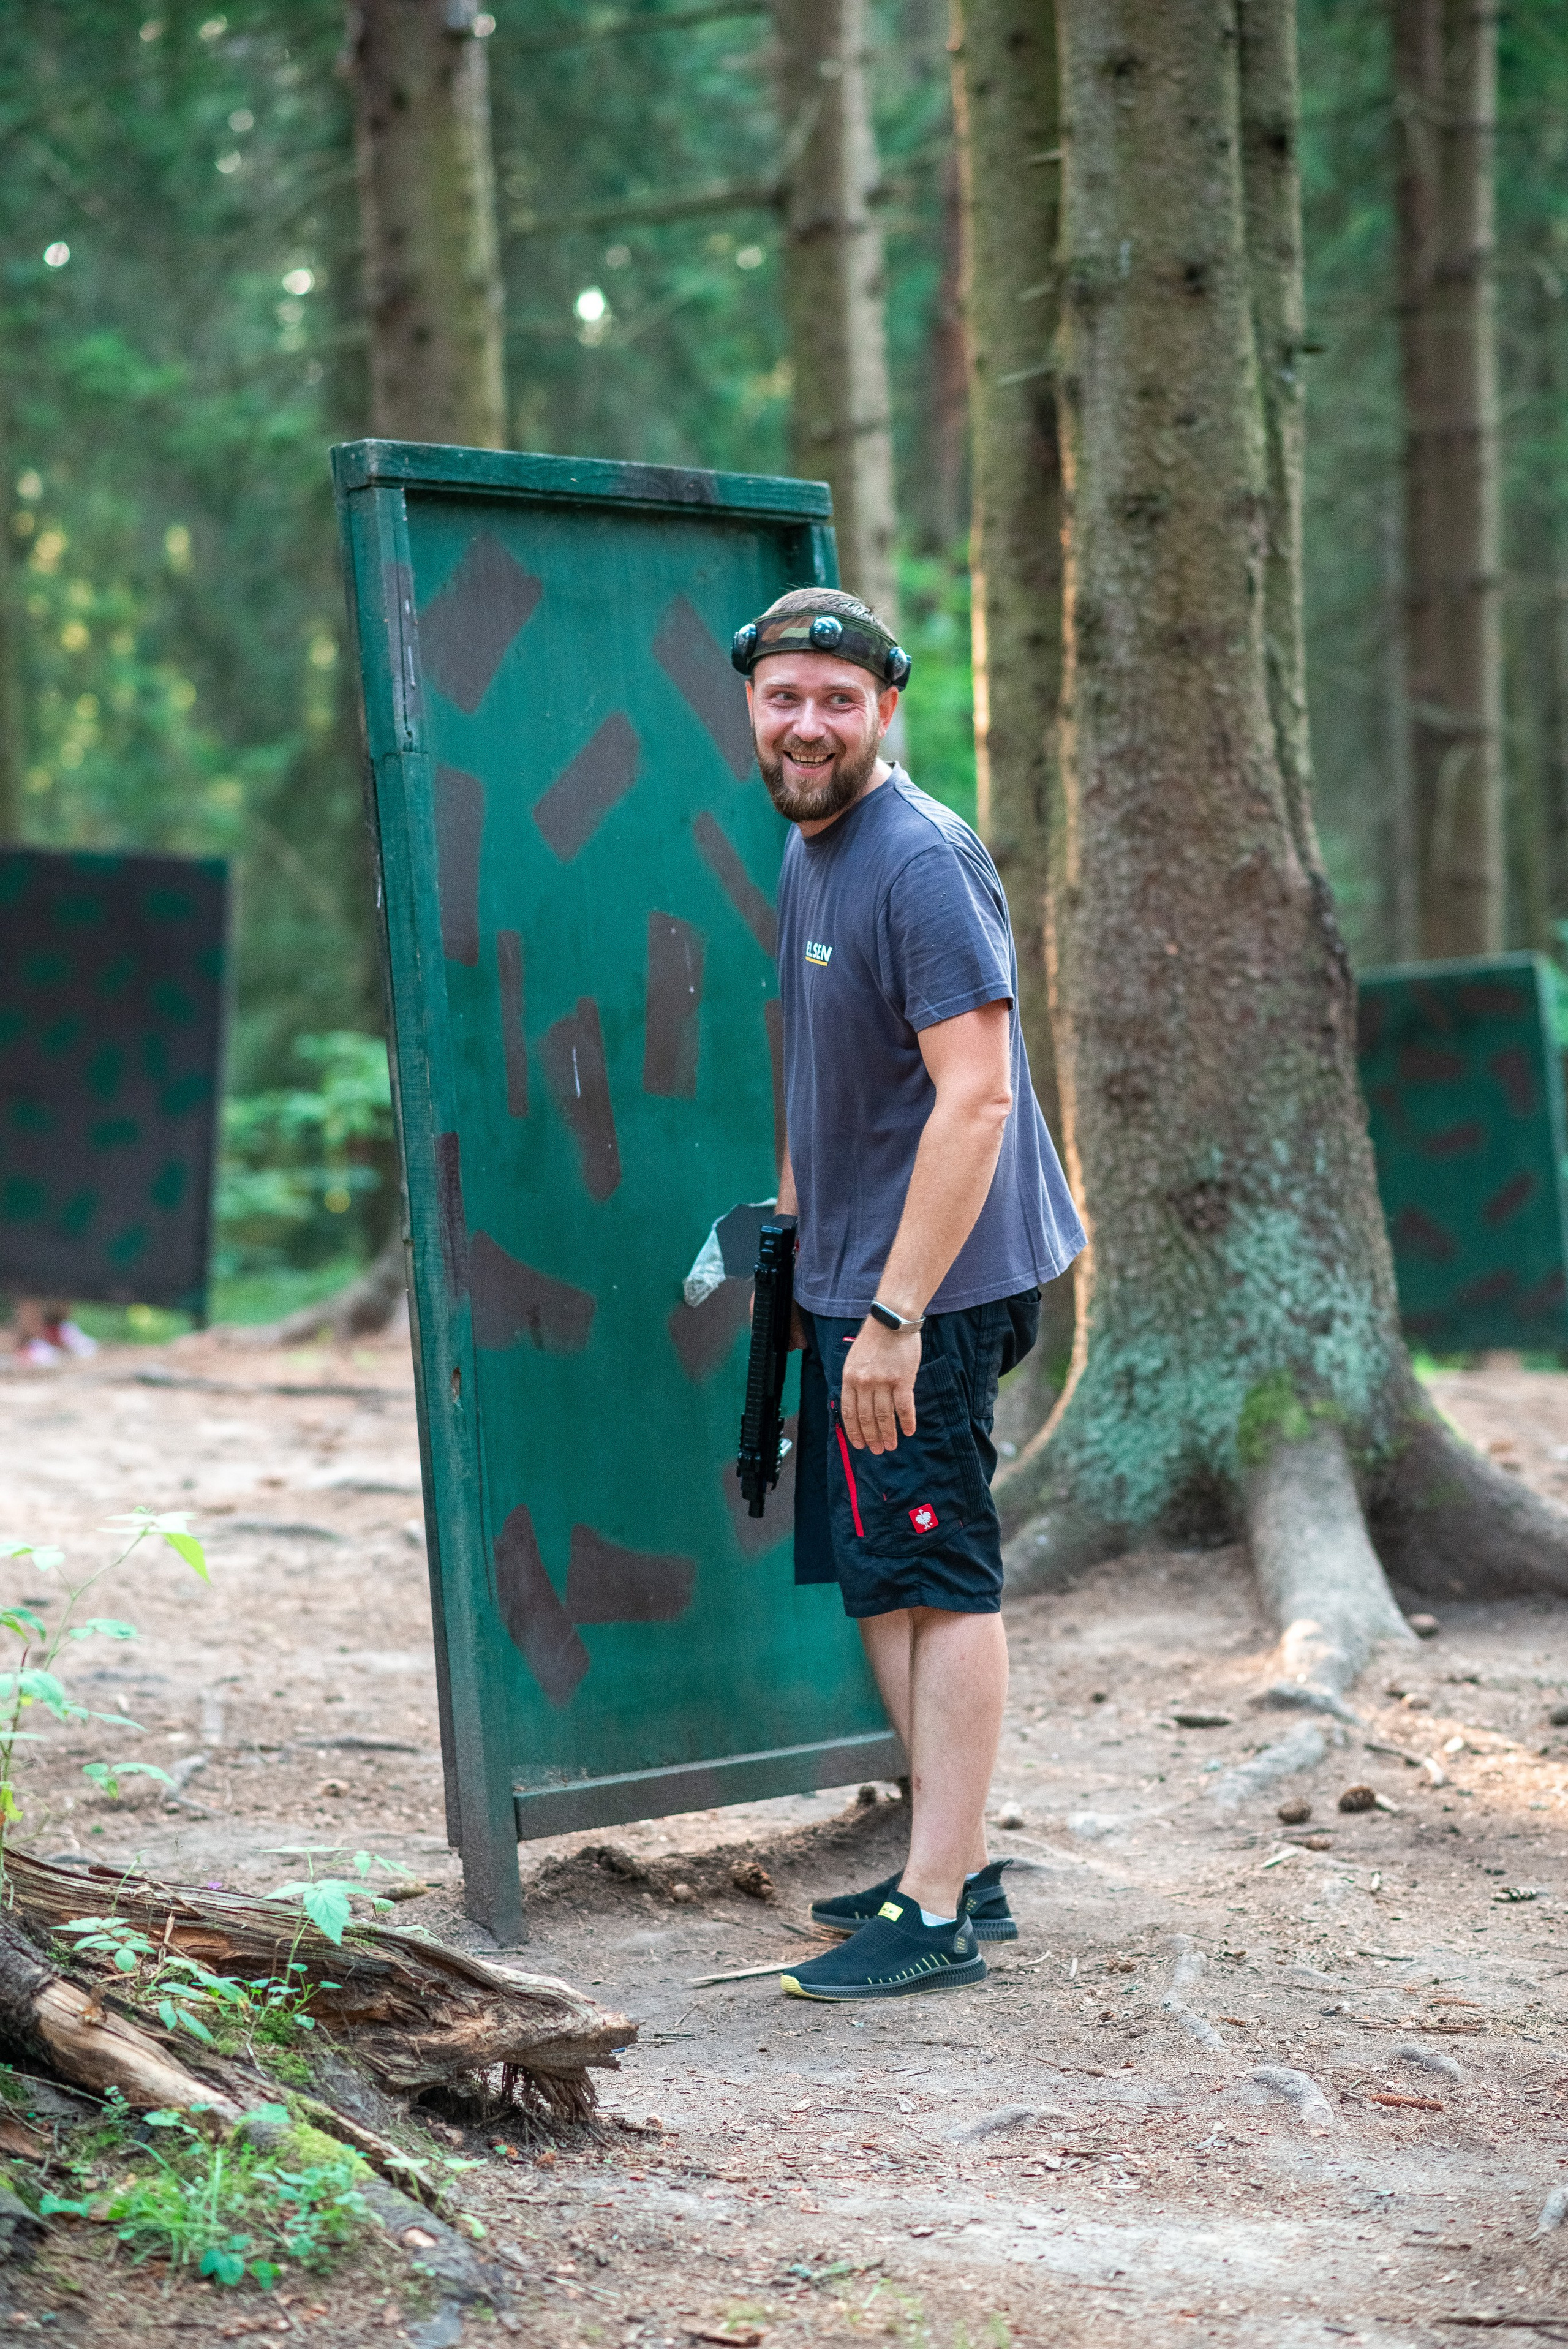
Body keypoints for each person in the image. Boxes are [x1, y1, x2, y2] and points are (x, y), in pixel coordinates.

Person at [732, 586, 1084, 2002]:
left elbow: (978, 1098)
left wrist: (890, 1316)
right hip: (852, 1269)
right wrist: (798, 1221)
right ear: (750, 707)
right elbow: (824, 1054)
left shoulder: (917, 858)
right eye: (782, 696)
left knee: (938, 1575)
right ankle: (956, 1862)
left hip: (925, 1290)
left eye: (836, 699)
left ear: (884, 709)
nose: (806, 721)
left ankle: (933, 1912)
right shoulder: (811, 841)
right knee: (882, 1576)